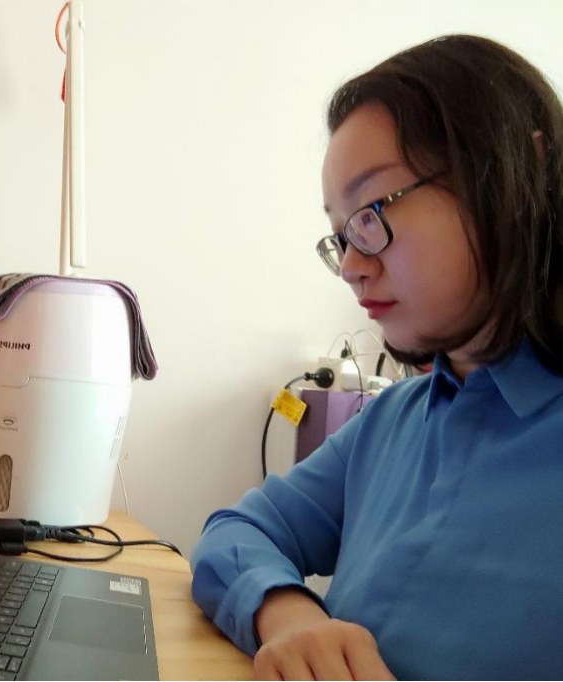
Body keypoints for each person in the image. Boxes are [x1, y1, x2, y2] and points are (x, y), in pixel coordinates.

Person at [191, 35, 563, 681]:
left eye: (370, 214)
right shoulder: (390, 421)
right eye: (341, 235)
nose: (351, 267)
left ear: (516, 176)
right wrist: (288, 615)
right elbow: (237, 530)